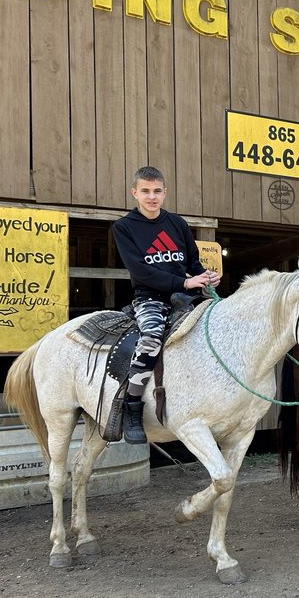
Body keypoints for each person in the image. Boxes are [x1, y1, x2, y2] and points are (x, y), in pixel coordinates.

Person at [112, 166, 221, 444]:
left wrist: (207, 277)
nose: (152, 197)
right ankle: (132, 408)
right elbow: (141, 272)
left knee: (221, 329)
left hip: (187, 296)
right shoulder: (124, 228)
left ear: (165, 193)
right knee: (150, 339)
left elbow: (193, 264)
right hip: (150, 297)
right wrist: (184, 283)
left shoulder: (177, 224)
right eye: (146, 191)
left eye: (157, 191)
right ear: (134, 192)